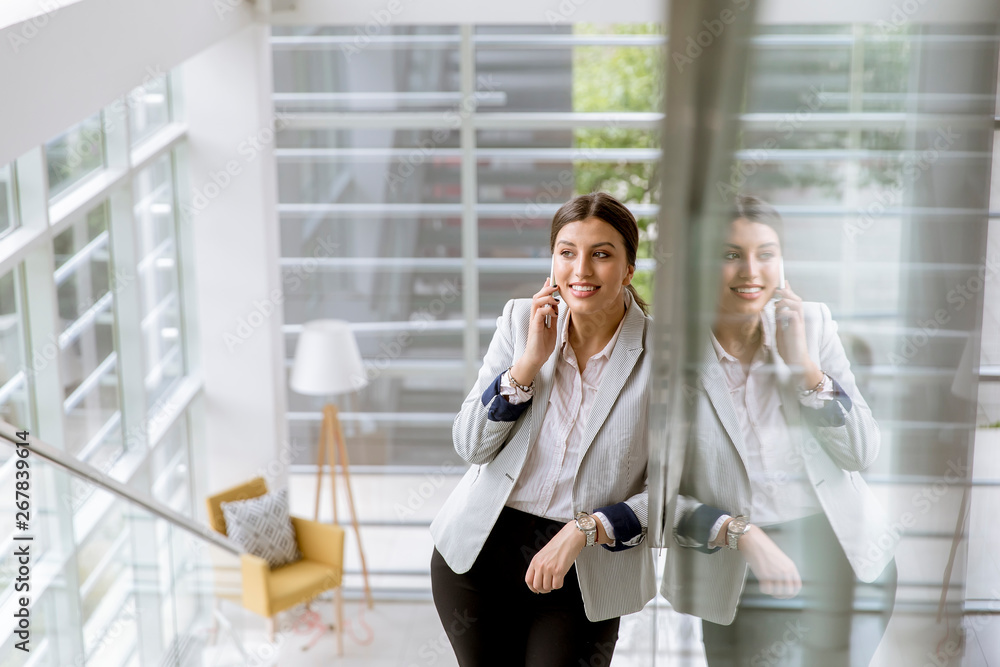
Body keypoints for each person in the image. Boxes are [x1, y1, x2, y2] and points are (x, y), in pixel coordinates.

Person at [660, 195, 898, 666]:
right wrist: (742, 534)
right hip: (734, 561)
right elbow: (656, 492)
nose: (750, 271)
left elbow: (862, 452)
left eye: (765, 254)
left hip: (838, 552)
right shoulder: (670, 354)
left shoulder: (811, 325)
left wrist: (805, 368)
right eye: (730, 254)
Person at [430, 192, 656, 666]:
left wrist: (584, 530)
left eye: (601, 254)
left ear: (628, 269)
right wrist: (527, 364)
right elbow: (470, 445)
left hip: (584, 567)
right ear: (552, 261)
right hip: (478, 555)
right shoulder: (521, 321)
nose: (581, 270)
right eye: (567, 252)